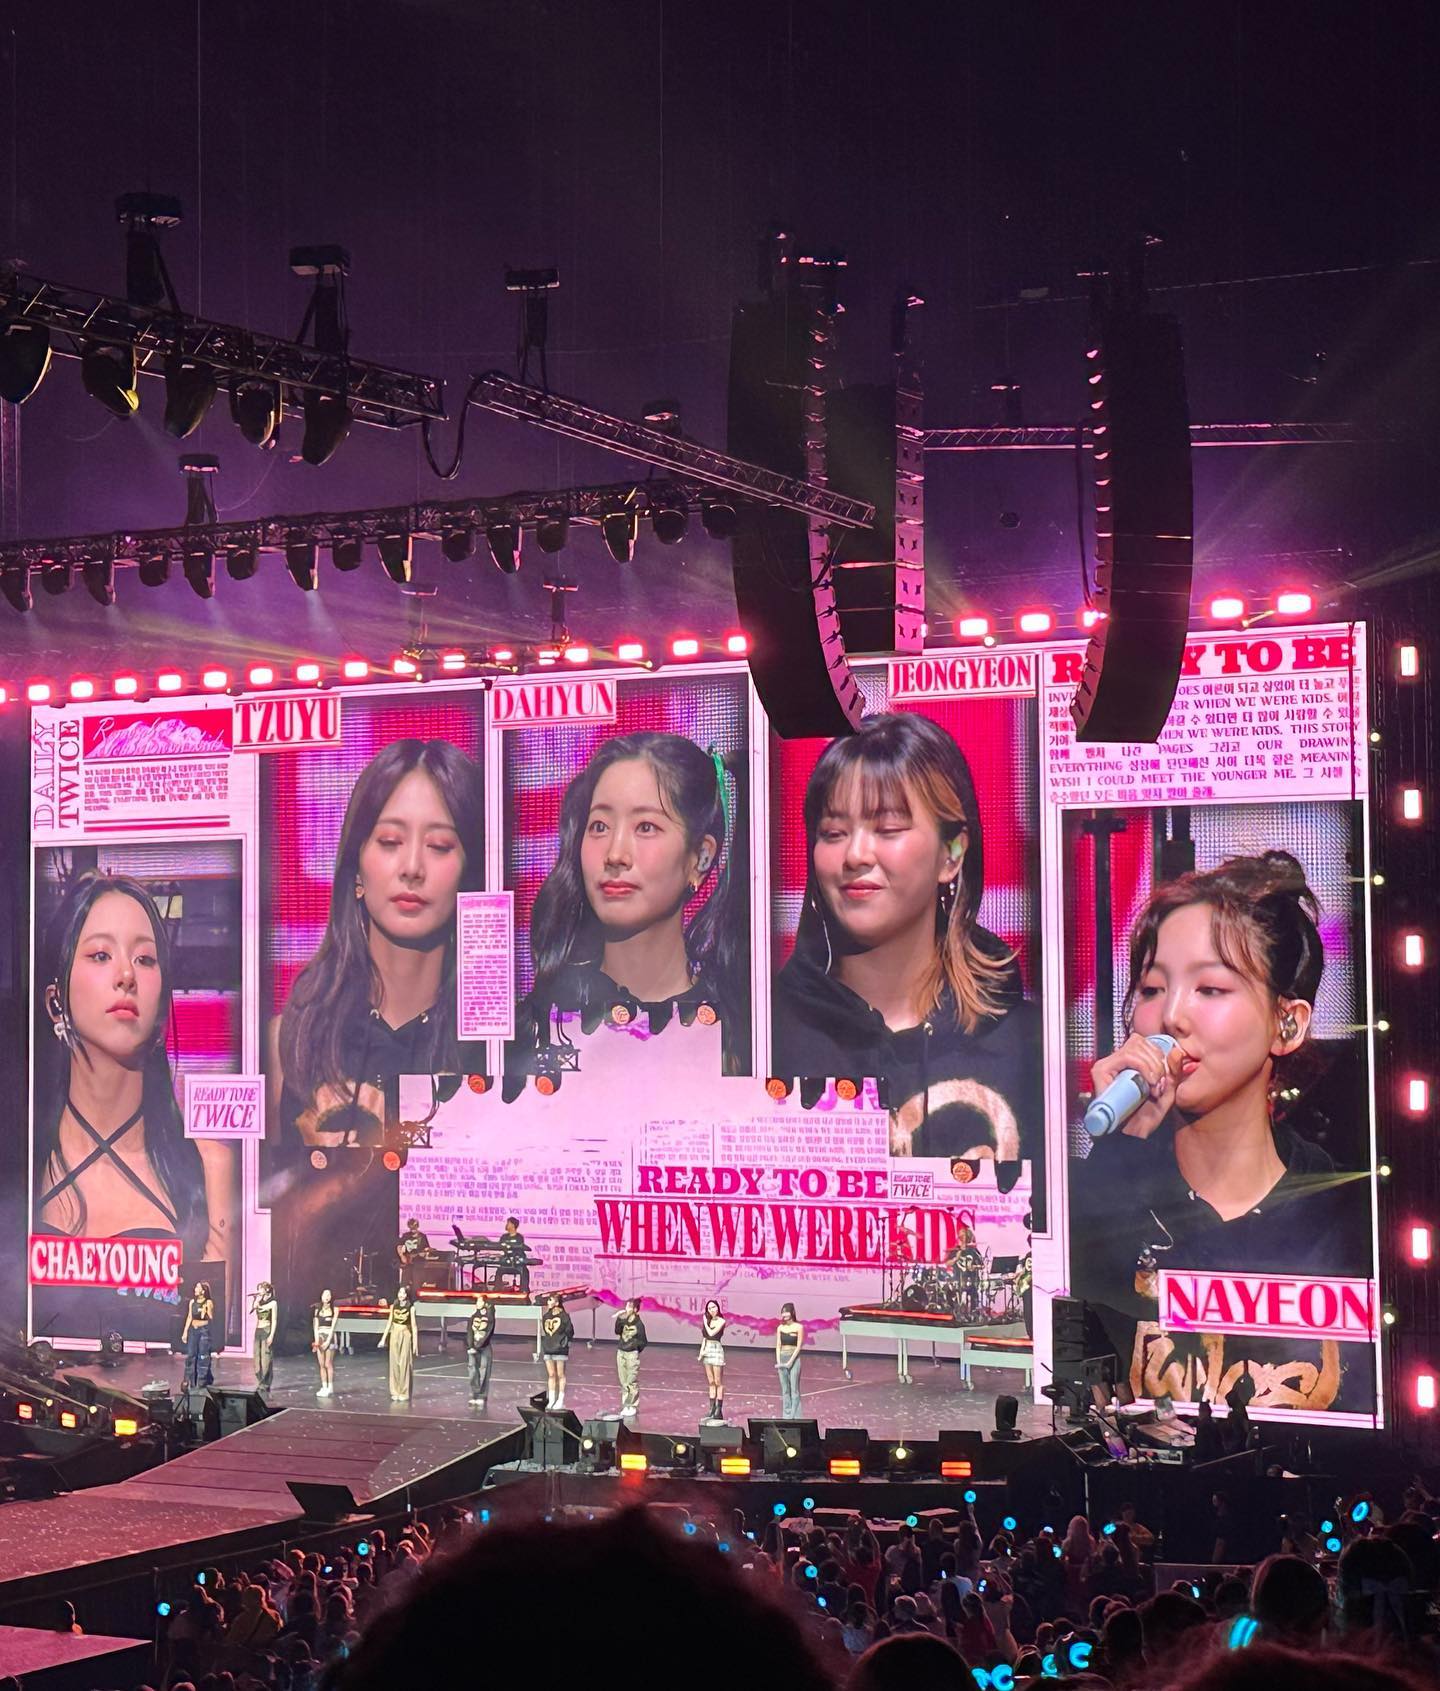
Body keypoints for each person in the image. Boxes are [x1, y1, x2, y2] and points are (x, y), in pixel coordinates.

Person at [1070, 850, 1372, 1412]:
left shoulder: (1346, 1220)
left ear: (1287, 1024)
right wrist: (1118, 1158)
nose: (1172, 1017)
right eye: (1152, 989)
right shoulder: (1088, 1203)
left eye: (1210, 989)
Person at [771, 713, 1040, 1179]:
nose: (855, 855)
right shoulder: (766, 1035)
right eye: (833, 833)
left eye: (888, 828)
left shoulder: (1028, 1043)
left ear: (952, 854)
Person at [269, 739, 485, 1149]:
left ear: (471, 876)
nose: (412, 868)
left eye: (439, 846)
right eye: (389, 841)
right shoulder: (290, 1043)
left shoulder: (501, 1044)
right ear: (356, 869)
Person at [505, 731, 749, 1092]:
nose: (615, 854)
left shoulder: (742, 1032)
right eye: (599, 827)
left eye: (646, 827)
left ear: (701, 858)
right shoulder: (532, 1027)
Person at [35, 871, 235, 1286]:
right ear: (55, 1003)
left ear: (161, 1007)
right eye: (100, 955)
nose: (126, 975)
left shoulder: (209, 1168)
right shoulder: (23, 1161)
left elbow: (215, 1320)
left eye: (144, 959)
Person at [378, 1287, 420, 1402]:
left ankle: (404, 1392)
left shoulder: (411, 1308)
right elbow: (389, 1323)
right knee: (394, 1362)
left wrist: (415, 1344)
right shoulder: (394, 1306)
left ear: (407, 1295)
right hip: (394, 1334)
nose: (401, 1295)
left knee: (404, 1363)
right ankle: (395, 1391)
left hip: (405, 1334)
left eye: (403, 1293)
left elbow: (414, 1326)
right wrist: (383, 1339)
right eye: (400, 1292)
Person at [614, 1296, 648, 1420]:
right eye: (626, 1306)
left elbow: (643, 1341)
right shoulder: (624, 1321)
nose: (626, 1308)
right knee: (623, 1381)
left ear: (635, 1309)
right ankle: (625, 1405)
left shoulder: (639, 1324)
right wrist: (619, 1318)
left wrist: (635, 1349)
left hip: (632, 1354)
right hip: (621, 1352)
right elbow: (617, 1331)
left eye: (629, 1306)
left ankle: (632, 1405)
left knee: (631, 1381)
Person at [539, 1293, 574, 1409]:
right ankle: (551, 1399)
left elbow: (570, 1331)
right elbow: (546, 1330)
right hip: (548, 1347)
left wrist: (564, 1342)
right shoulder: (546, 1316)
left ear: (557, 1303)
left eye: (550, 1300)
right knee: (551, 1374)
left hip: (560, 1348)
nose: (548, 1302)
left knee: (560, 1374)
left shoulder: (564, 1316)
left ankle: (560, 1399)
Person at [181, 1280, 216, 1390]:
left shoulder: (208, 1302)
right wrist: (185, 1331)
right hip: (193, 1330)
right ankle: (190, 1380)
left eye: (197, 1287)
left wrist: (206, 1311)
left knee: (203, 1355)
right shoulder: (192, 1302)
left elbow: (211, 1318)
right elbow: (189, 1317)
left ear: (203, 1291)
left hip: (203, 1331)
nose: (195, 1289)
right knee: (191, 1355)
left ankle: (202, 1380)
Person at [465, 1294, 496, 1409]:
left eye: (480, 1301)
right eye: (477, 1301)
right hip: (473, 1348)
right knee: (472, 1370)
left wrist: (479, 1345)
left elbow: (488, 1332)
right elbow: (469, 1332)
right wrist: (470, 1346)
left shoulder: (489, 1317)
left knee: (484, 1371)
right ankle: (475, 1393)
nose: (477, 1303)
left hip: (484, 1347)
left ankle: (482, 1395)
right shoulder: (473, 1316)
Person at [699, 1298, 727, 1423]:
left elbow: (711, 1333)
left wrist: (705, 1321)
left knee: (718, 1381)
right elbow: (705, 1337)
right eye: (709, 1308)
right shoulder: (708, 1320)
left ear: (718, 1308)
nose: (712, 1310)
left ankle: (718, 1410)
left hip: (716, 1349)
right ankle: (711, 1408)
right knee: (711, 1381)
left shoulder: (721, 1321)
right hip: (707, 1349)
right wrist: (701, 1352)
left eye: (713, 1307)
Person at [776, 1302, 804, 1417]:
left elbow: (798, 1346)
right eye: (783, 1312)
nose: (784, 1314)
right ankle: (786, 1415)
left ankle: (796, 1416)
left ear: (792, 1312)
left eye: (786, 1311)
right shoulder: (780, 1328)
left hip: (794, 1359)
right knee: (785, 1389)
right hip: (782, 1358)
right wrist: (779, 1361)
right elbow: (778, 1345)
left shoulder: (798, 1327)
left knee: (794, 1389)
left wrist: (790, 1362)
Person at [494, 1216, 531, 1295]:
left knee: (525, 1271)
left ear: (513, 1225)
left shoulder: (519, 1237)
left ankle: (524, 1291)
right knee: (499, 1271)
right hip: (506, 1262)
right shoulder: (504, 1237)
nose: (506, 1225)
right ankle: (497, 1291)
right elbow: (499, 1246)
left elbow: (520, 1248)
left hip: (517, 1263)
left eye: (508, 1223)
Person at [252, 1281, 278, 1392]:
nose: (259, 1291)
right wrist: (257, 1300)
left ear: (267, 1290)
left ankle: (266, 1382)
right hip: (258, 1330)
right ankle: (260, 1380)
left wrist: (271, 1335)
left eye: (261, 1289)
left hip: (267, 1329)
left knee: (266, 1357)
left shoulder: (273, 1303)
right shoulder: (259, 1301)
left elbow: (274, 1320)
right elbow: (255, 1307)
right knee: (257, 1356)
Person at [313, 1289, 338, 1396]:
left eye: (329, 1295)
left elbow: (333, 1327)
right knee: (321, 1364)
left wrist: (328, 1341)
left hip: (329, 1337)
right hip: (320, 1336)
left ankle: (330, 1387)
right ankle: (324, 1386)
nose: (326, 1297)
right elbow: (315, 1326)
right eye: (325, 1295)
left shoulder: (334, 1309)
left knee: (328, 1363)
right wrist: (317, 1341)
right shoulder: (317, 1309)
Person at [395, 1217, 432, 1292]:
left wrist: (425, 1253)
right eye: (411, 1226)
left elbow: (426, 1248)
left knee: (416, 1284)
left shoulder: (422, 1236)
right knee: (404, 1283)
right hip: (407, 1262)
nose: (413, 1228)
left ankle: (415, 1297)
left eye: (415, 1226)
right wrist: (402, 1256)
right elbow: (399, 1246)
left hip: (418, 1263)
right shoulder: (405, 1236)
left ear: (417, 1226)